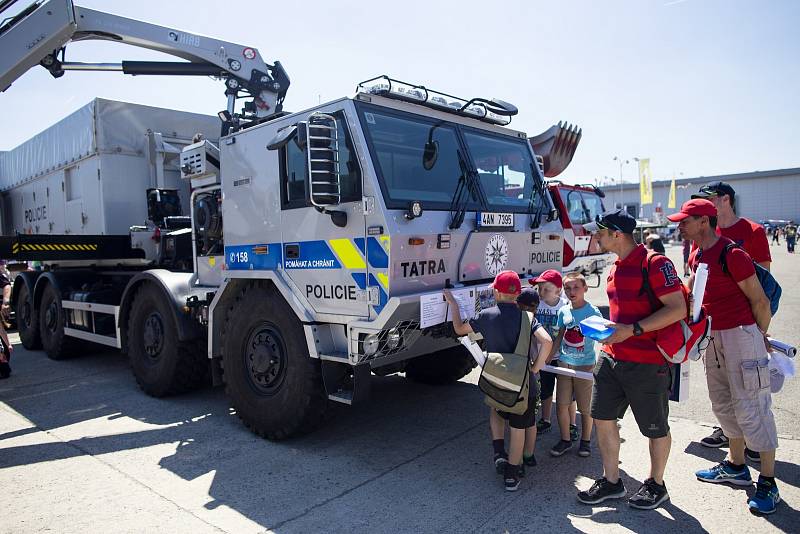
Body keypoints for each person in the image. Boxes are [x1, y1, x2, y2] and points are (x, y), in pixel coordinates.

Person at [670, 199, 781, 515]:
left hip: (741, 335)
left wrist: (758, 336)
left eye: (685, 221)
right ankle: (735, 465)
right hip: (713, 335)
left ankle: (769, 482)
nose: (680, 226)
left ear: (704, 222)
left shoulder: (733, 255)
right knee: (722, 402)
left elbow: (759, 301)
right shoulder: (697, 254)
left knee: (753, 406)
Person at [577, 209, 686, 510]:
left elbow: (677, 309)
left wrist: (632, 330)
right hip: (611, 357)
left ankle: (656, 484)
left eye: (599, 232)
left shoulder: (655, 263)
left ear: (617, 234)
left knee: (655, 427)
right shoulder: (616, 266)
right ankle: (611, 482)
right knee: (601, 419)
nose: (594, 237)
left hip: (647, 363)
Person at [445, 270, 553, 491]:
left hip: (496, 379)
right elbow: (548, 341)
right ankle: (512, 474)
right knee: (518, 428)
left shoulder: (486, 315)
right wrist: (535, 367)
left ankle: (498, 452)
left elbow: (459, 329)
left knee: (496, 409)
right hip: (523, 384)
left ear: (495, 291)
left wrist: (454, 305)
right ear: (517, 294)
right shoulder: (528, 317)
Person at [692, 181, 771, 459]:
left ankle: (756, 452)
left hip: (742, 325)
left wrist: (760, 332)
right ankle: (730, 441)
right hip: (714, 330)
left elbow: (764, 288)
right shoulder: (701, 233)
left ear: (726, 199)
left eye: (709, 198)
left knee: (749, 395)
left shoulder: (752, 232)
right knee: (723, 395)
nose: (706, 203)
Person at [548, 272, 602, 458]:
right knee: (562, 405)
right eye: (568, 288)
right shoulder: (563, 310)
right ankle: (565, 439)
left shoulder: (592, 312)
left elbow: (602, 338)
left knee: (585, 408)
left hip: (585, 366)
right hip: (564, 364)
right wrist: (548, 357)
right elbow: (560, 335)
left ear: (585, 288)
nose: (572, 291)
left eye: (576, 287)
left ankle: (585, 442)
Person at [531, 270, 577, 440]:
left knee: (568, 393)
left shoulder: (566, 307)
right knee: (545, 390)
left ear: (558, 290)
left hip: (563, 357)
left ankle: (572, 424)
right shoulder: (537, 306)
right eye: (539, 289)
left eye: (546, 290)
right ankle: (546, 419)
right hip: (543, 357)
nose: (541, 293)